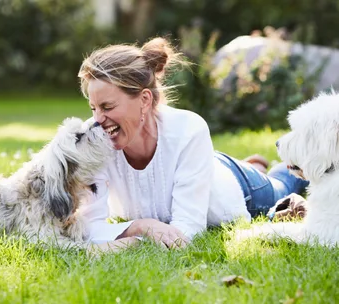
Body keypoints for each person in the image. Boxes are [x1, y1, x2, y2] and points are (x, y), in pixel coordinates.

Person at [77, 37, 308, 249]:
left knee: (284, 185)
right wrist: (140, 226)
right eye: (93, 108)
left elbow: (186, 232)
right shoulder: (93, 139)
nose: (97, 120)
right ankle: (253, 164)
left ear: (145, 100)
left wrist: (131, 235)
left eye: (107, 107)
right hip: (199, 166)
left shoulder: (188, 129)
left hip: (237, 187)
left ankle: (265, 170)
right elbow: (88, 228)